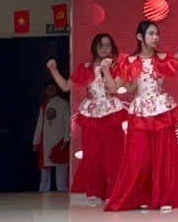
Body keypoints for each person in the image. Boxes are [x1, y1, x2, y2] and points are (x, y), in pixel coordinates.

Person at [105, 21, 178, 212]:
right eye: (151, 33)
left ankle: (165, 197)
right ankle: (142, 196)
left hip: (161, 109)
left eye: (157, 34)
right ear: (140, 37)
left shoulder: (162, 59)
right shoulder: (130, 61)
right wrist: (105, 70)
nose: (155, 37)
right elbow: (113, 88)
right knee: (139, 156)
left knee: (164, 155)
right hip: (141, 110)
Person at [47, 32, 126, 200]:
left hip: (111, 112)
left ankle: (114, 191)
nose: (104, 48)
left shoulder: (117, 66)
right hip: (91, 114)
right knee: (92, 153)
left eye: (108, 45)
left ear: (112, 49)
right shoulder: (85, 68)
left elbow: (113, 89)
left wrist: (106, 69)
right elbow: (66, 86)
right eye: (101, 45)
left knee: (113, 153)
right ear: (94, 47)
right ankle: (96, 191)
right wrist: (53, 69)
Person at [32, 83, 71, 192]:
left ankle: (63, 193)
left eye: (53, 88)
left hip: (60, 141)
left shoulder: (64, 104)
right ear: (45, 91)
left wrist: (66, 139)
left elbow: (68, 123)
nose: (50, 90)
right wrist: (36, 142)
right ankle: (43, 193)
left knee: (61, 170)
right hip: (46, 142)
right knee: (45, 171)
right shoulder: (44, 106)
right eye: (48, 88)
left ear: (57, 89)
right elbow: (40, 124)